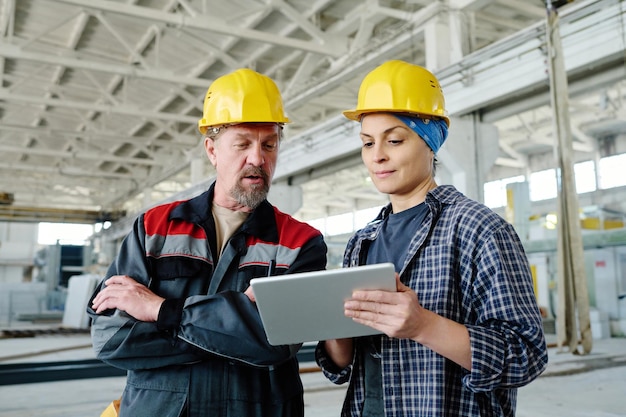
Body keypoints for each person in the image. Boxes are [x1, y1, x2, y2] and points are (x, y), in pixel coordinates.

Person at [88, 68, 327, 417]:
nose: (258, 159)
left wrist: (160, 310)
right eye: (243, 143)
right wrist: (237, 326)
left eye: (269, 144)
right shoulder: (154, 228)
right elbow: (111, 338)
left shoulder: (300, 242)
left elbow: (277, 344)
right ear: (212, 150)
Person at [315, 60, 548, 417]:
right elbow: (343, 364)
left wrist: (424, 325)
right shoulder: (361, 241)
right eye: (366, 143)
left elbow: (525, 355)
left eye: (394, 140)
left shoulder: (479, 229)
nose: (377, 155)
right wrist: (332, 323)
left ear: (430, 140)